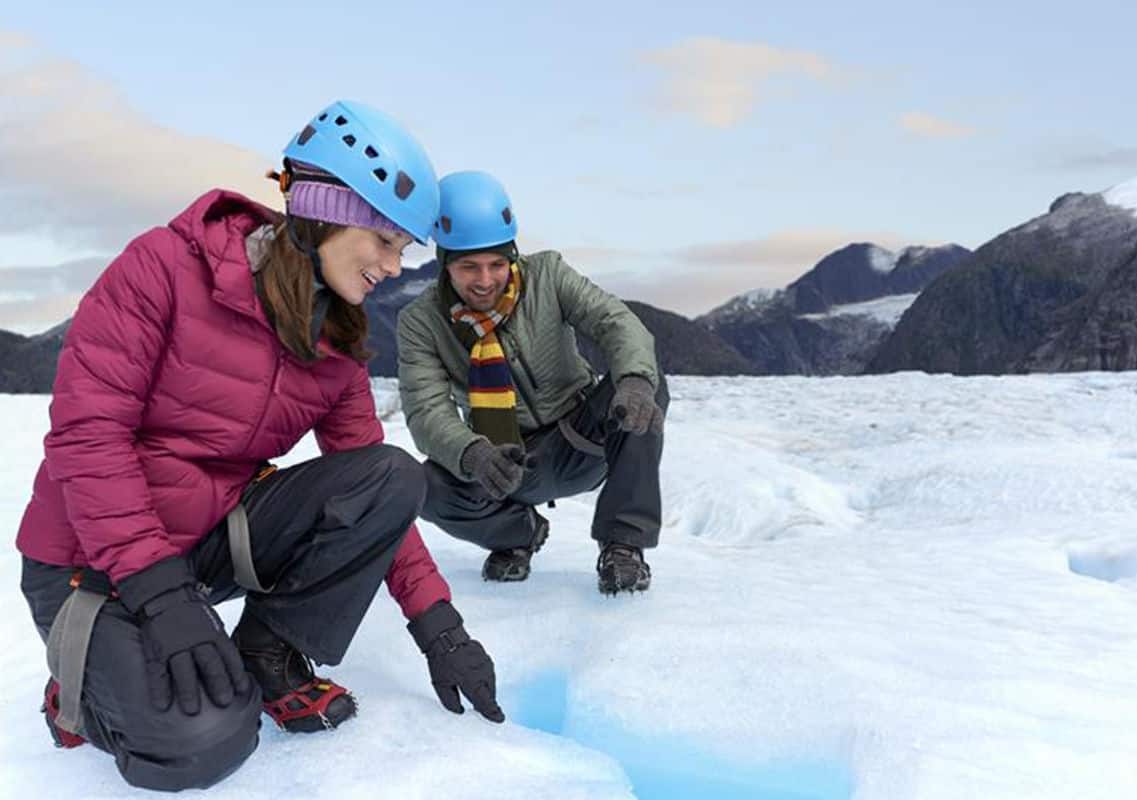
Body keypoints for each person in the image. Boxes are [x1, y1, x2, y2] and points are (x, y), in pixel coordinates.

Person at [16, 100, 503, 793]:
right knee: (206, 742)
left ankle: (267, 650)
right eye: (388, 242)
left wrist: (440, 627)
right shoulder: (162, 268)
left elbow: (378, 495)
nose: (396, 267)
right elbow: (88, 437)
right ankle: (81, 697)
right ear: (331, 210)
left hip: (206, 545)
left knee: (393, 476)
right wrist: (160, 592)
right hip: (89, 562)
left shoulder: (336, 344)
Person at [395, 171, 668, 596]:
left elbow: (616, 322)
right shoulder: (420, 322)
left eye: (497, 265)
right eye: (469, 266)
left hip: (583, 438)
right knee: (423, 484)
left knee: (642, 380)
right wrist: (473, 454)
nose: (485, 281)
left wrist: (634, 380)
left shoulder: (549, 275)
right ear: (445, 262)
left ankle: (623, 547)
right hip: (504, 463)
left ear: (514, 257)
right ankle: (516, 535)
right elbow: (426, 411)